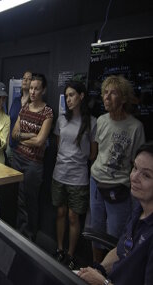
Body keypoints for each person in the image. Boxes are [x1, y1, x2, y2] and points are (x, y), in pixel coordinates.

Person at [78, 141, 153, 285]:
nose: (134, 177)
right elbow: (121, 250)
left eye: (146, 176)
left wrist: (103, 283)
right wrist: (100, 269)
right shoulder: (139, 212)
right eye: (135, 168)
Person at [90, 75, 145, 263]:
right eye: (105, 92)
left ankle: (108, 275)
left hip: (119, 188)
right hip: (96, 182)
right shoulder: (101, 120)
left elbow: (137, 163)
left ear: (123, 98)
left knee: (115, 236)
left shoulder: (136, 127)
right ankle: (95, 269)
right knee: (95, 231)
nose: (106, 96)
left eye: (112, 93)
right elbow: (97, 151)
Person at [51, 81, 97, 269]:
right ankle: (60, 249)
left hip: (78, 176)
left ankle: (70, 254)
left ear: (81, 96)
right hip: (59, 173)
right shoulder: (62, 119)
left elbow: (93, 154)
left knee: (73, 216)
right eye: (67, 95)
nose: (68, 99)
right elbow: (58, 144)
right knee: (60, 212)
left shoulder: (92, 122)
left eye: (72, 95)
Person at [11, 73, 53, 239]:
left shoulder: (47, 112)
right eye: (31, 88)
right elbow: (14, 134)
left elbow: (40, 141)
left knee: (30, 200)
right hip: (18, 158)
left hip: (33, 163)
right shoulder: (24, 108)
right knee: (18, 198)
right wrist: (29, 136)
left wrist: (23, 138)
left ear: (43, 90)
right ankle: (18, 232)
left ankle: (29, 237)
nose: (33, 92)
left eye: (36, 88)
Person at [6, 70, 32, 165]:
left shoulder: (32, 104)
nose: (25, 80)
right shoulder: (16, 100)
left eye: (29, 79)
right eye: (24, 78)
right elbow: (10, 121)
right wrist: (7, 142)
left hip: (25, 149)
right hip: (12, 146)